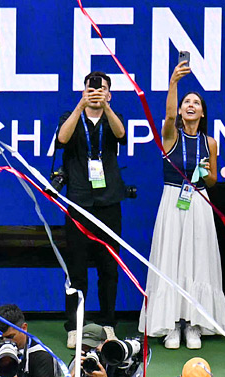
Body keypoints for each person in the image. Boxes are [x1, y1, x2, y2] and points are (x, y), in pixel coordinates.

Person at [141, 60, 225, 350]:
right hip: (172, 203)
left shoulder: (211, 143)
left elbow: (213, 179)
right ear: (180, 110)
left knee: (197, 261)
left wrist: (205, 174)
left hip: (200, 204)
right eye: (186, 102)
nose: (190, 105)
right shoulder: (170, 136)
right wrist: (173, 82)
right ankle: (172, 325)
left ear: (202, 113)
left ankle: (194, 324)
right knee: (171, 261)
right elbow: (166, 115)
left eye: (196, 103)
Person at [56, 71, 128, 347]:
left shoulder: (113, 118)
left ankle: (108, 323)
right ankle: (75, 325)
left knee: (109, 268)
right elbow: (62, 139)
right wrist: (80, 106)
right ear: (83, 91)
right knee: (76, 268)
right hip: (78, 202)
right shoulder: (71, 117)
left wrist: (106, 108)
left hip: (108, 203)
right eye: (90, 89)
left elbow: (121, 135)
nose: (96, 92)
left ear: (109, 94)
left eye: (102, 90)